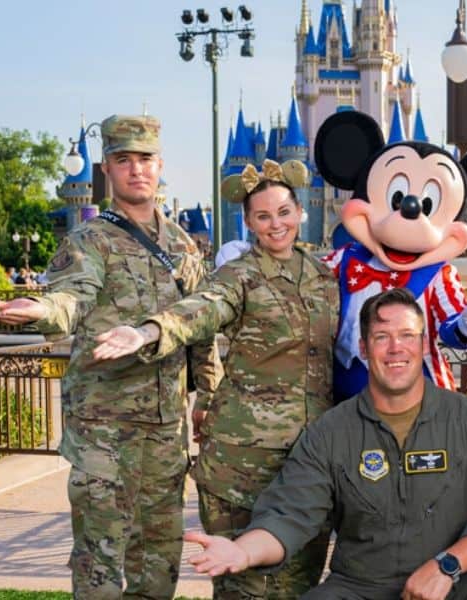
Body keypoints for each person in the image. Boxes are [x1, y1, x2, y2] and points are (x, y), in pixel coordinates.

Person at [0, 114, 220, 599]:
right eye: (123, 160)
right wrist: (42, 309)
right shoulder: (89, 241)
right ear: (106, 169)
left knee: (159, 561)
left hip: (164, 430)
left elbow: (200, 326)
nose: (136, 169)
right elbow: (73, 296)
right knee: (99, 562)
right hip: (103, 433)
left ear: (160, 165)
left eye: (145, 159)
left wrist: (207, 398)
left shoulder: (182, 246)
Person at [185, 288, 467, 600]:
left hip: (457, 582)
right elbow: (289, 514)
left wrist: (447, 566)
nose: (396, 348)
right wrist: (242, 551)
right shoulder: (331, 432)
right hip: (363, 588)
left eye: (407, 335)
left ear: (423, 345)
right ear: (364, 348)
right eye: (382, 337)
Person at [91, 159, 338, 599]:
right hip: (242, 464)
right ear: (249, 223)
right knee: (243, 585)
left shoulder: (324, 277)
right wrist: (150, 330)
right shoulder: (239, 276)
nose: (276, 224)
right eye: (263, 216)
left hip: (309, 459)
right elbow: (203, 308)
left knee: (301, 579)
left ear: (300, 213)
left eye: (284, 212)